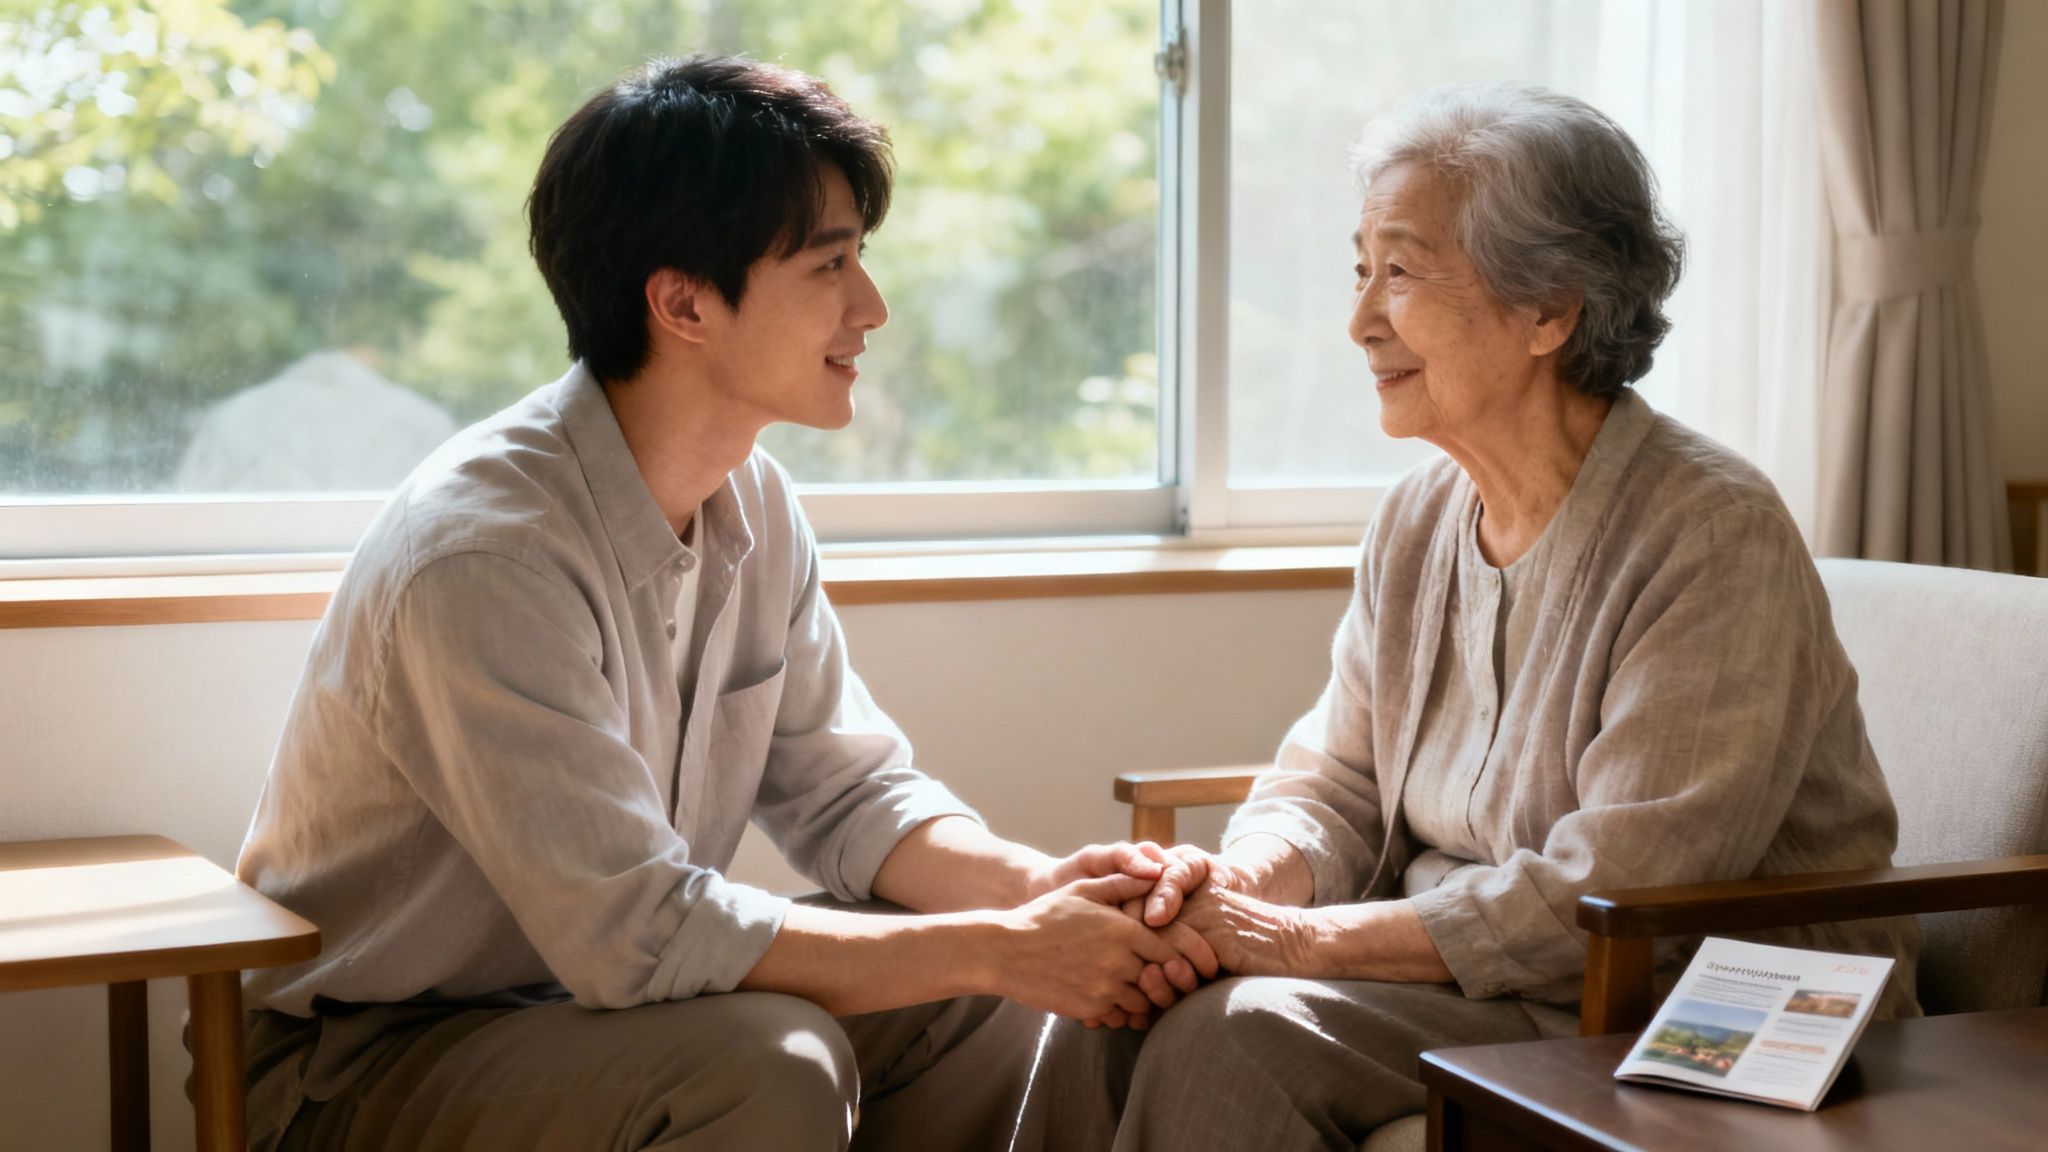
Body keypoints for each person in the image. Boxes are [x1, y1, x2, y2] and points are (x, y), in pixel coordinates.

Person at [232, 56, 1214, 1152]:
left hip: (590, 1018)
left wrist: (1038, 893)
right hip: (366, 1061)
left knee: (974, 994)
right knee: (772, 1064)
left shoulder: (754, 499)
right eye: (830, 264)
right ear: (683, 303)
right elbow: (636, 931)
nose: (871, 307)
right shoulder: (483, 555)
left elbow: (849, 794)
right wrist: (1004, 945)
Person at [1012, 82, 1920, 1151]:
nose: (1359, 322)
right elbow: (1337, 780)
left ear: (1549, 310)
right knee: (1115, 989)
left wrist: (1293, 942)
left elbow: (1620, 891)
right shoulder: (1417, 517)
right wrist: (1229, 886)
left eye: (1399, 273)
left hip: (1691, 1003)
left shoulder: (1709, 534)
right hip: (1485, 979)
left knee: (1234, 1036)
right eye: (1360, 271)